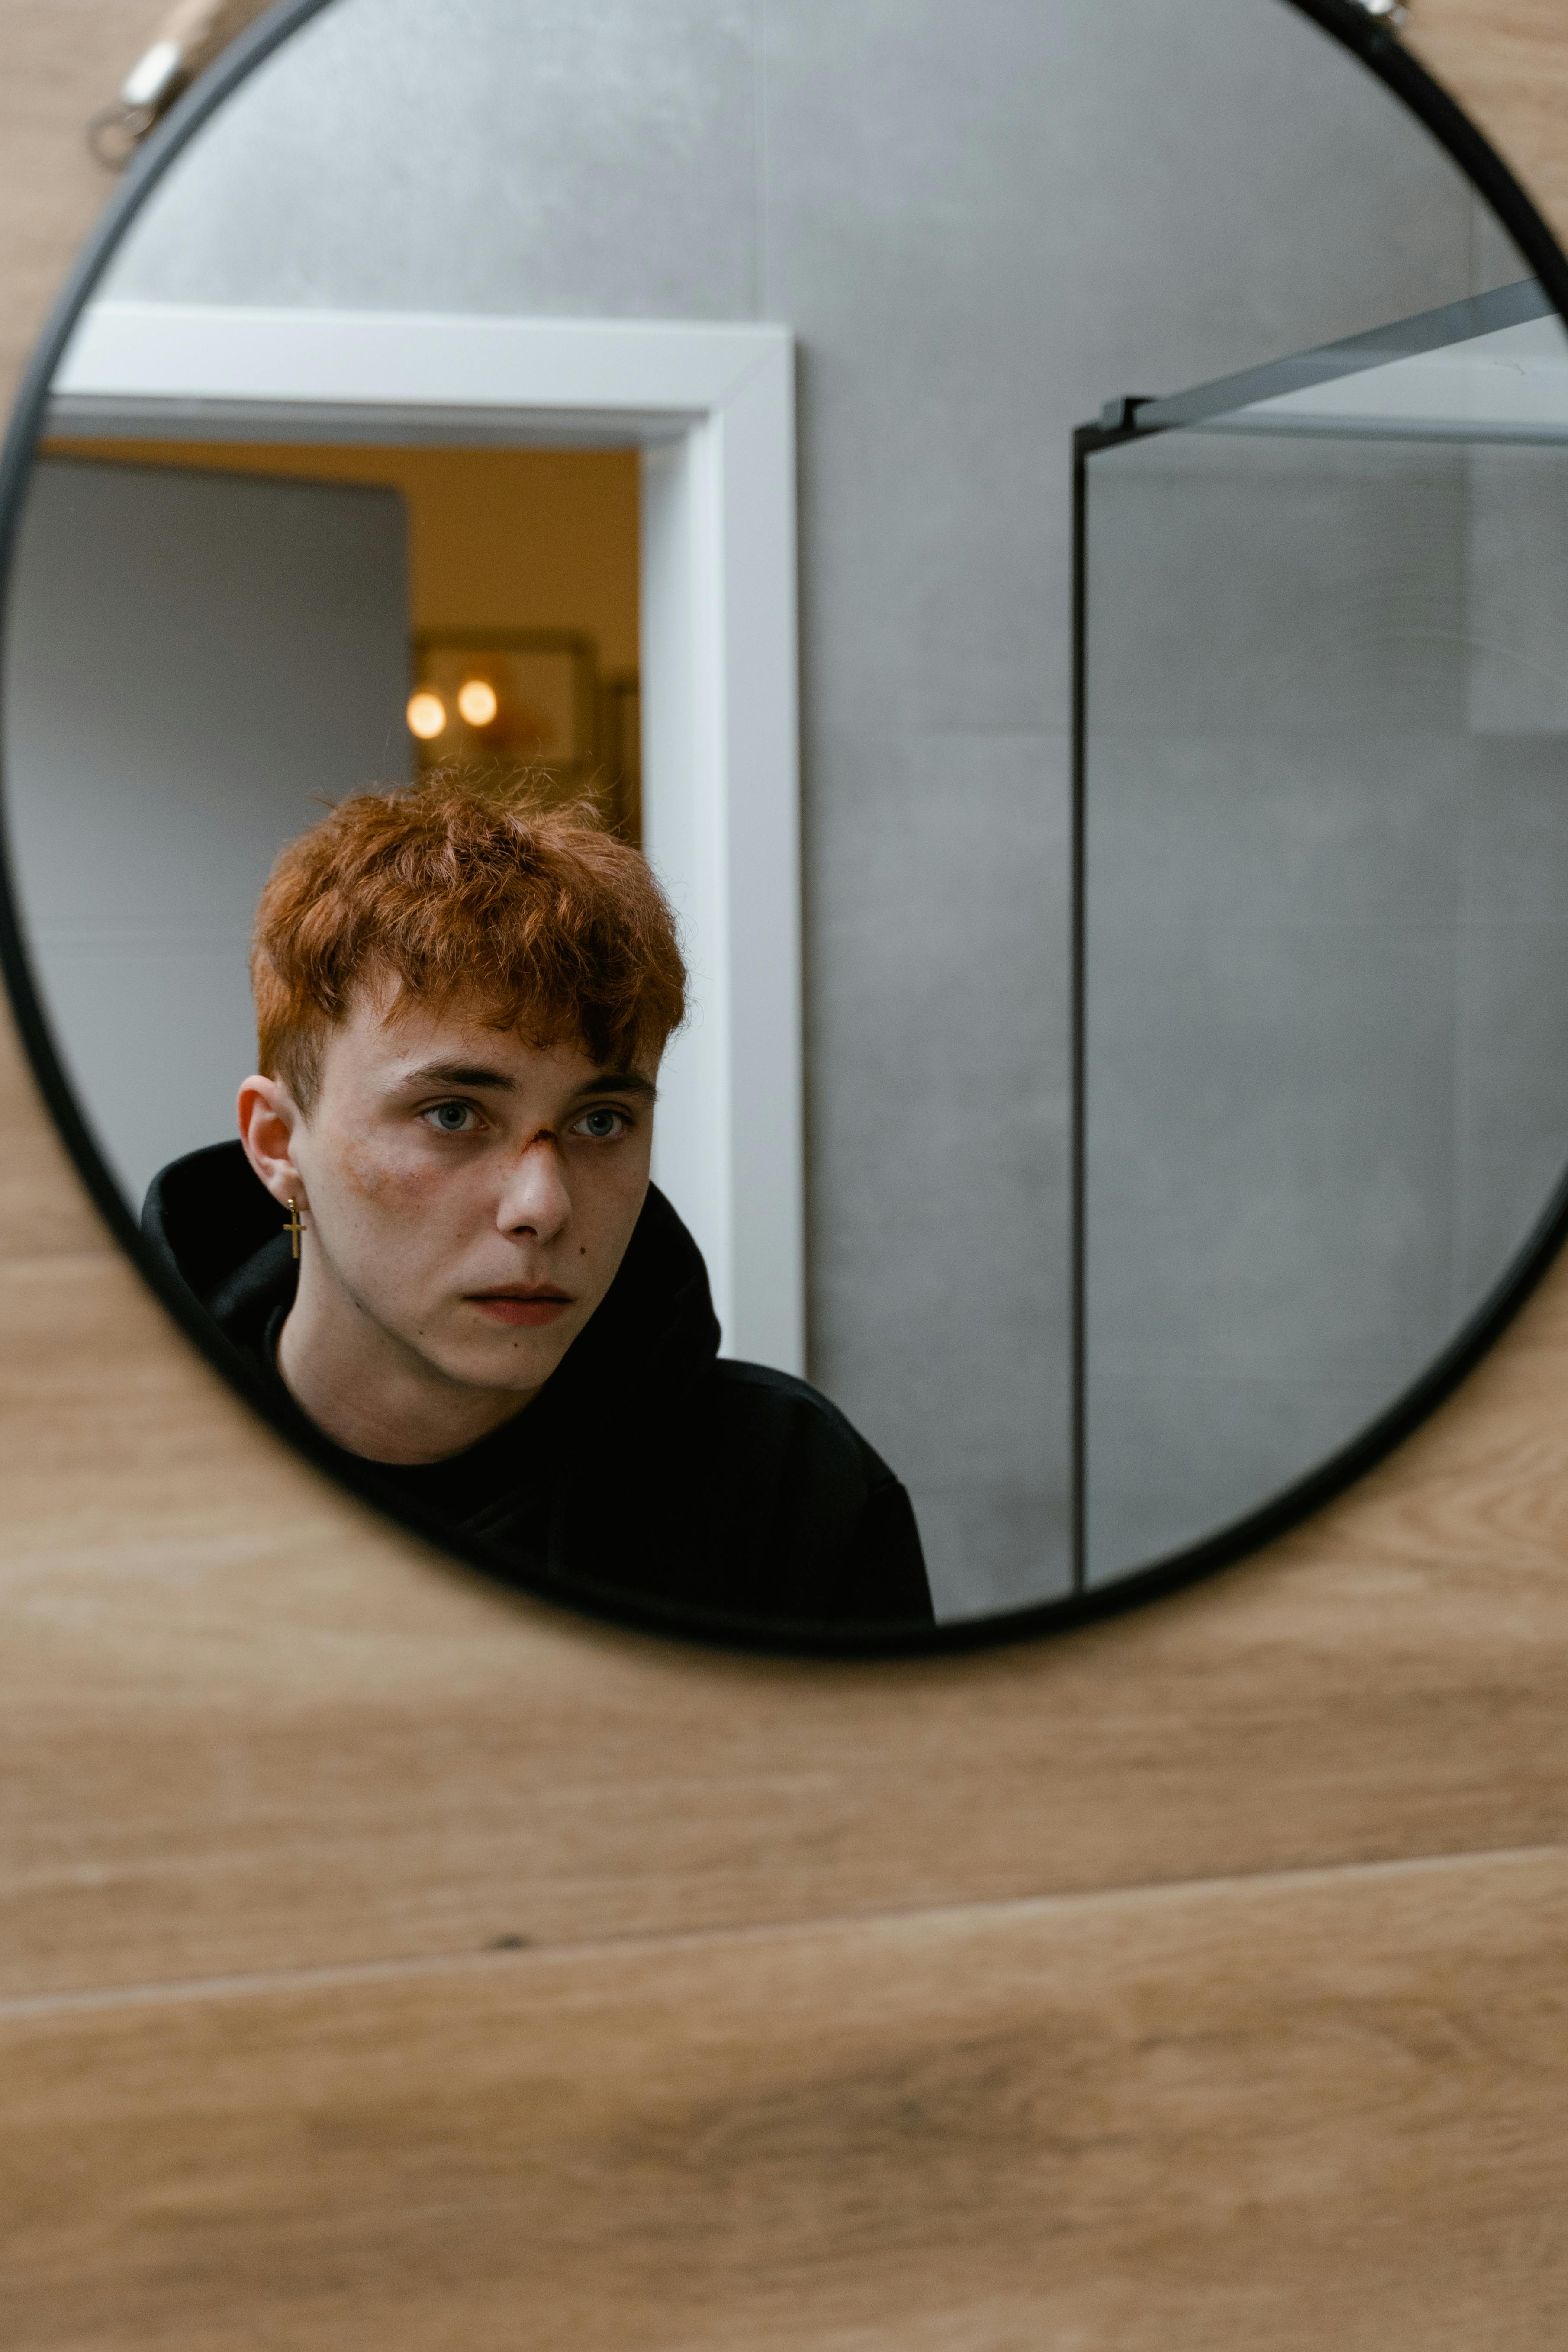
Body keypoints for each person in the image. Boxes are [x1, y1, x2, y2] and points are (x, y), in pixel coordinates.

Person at [144, 775, 932, 1630]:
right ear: (276, 1144)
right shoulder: (96, 1484)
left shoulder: (791, 1494)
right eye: (452, 1115)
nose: (542, 1206)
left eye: (601, 1121)